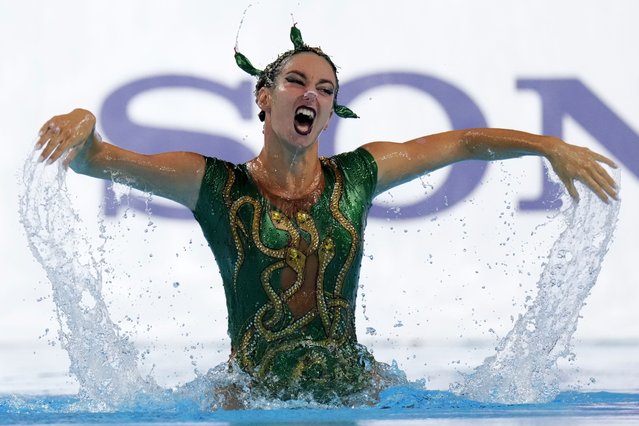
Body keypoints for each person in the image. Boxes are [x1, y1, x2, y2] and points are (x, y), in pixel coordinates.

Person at [35, 25, 618, 405]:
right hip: (250, 398)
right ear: (265, 96)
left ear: (333, 108)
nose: (311, 94)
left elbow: (463, 142)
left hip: (352, 393)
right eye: (296, 81)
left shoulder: (358, 177)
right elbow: (100, 159)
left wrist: (547, 145)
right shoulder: (215, 185)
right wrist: (83, 120)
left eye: (326, 88)